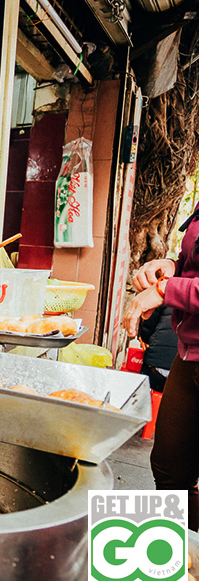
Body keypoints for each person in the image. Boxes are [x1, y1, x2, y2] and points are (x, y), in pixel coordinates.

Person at [124, 206, 199, 530]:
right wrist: (171, 266)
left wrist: (165, 290)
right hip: (189, 354)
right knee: (169, 469)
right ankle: (168, 575)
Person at [139, 305, 178, 393]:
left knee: (145, 401)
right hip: (185, 372)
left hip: (155, 364)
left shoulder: (165, 296)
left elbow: (146, 332)